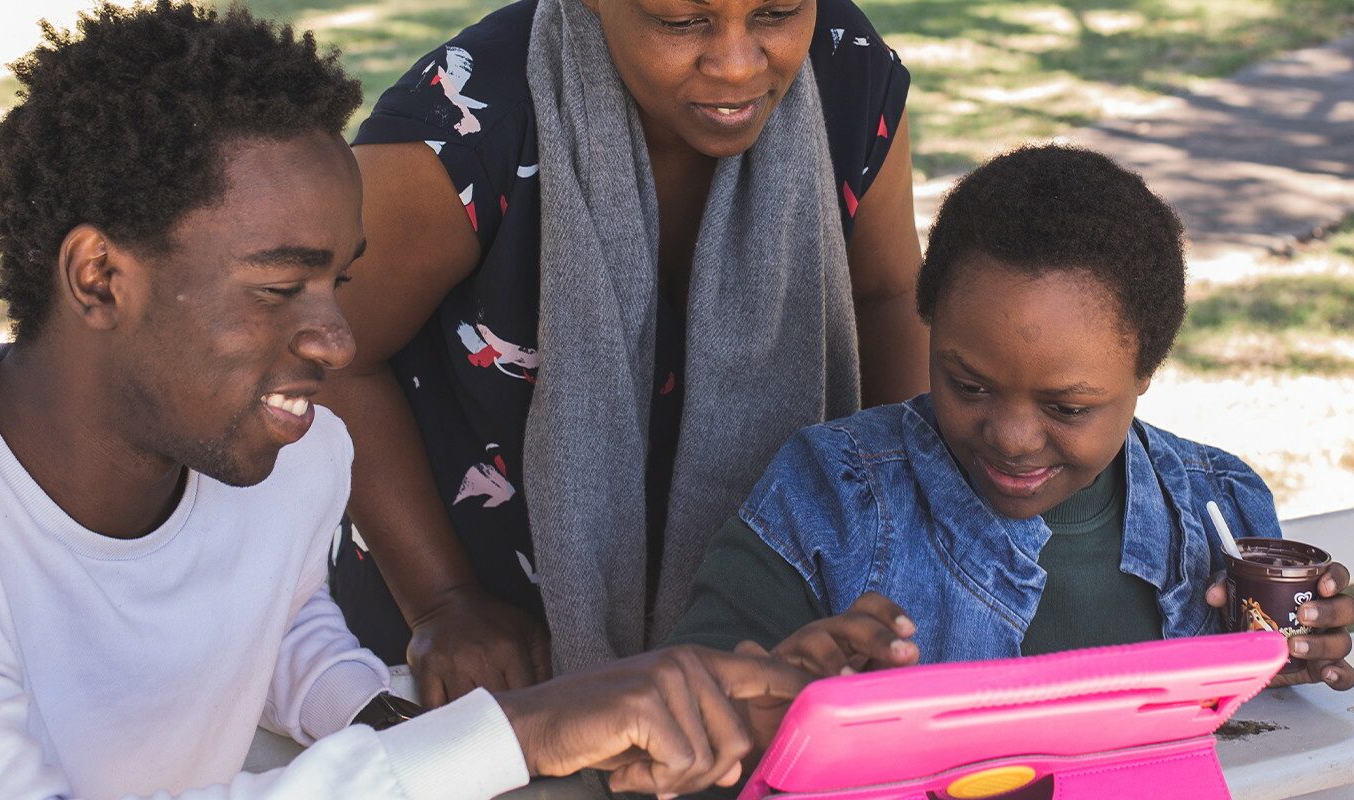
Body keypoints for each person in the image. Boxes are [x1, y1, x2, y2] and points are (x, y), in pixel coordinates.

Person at [0, 4, 813, 798]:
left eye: (339, 278)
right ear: (100, 276)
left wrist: (482, 731)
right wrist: (511, 734)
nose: (336, 338)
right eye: (276, 287)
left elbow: (278, 624)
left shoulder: (290, 453)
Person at [324, 0, 929, 707]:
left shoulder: (846, 71)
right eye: (681, 22)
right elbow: (327, 351)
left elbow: (889, 297)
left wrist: (905, 544)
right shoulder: (467, 123)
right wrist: (443, 601)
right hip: (481, 654)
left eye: (776, 13)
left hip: (768, 647)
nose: (736, 62)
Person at [669, 145, 1354, 691]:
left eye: (1068, 408)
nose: (1011, 437)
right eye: (969, 385)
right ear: (930, 330)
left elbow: (1263, 737)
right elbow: (693, 702)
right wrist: (784, 687)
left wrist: (1294, 659)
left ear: (1145, 372)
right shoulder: (827, 495)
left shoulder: (1221, 506)